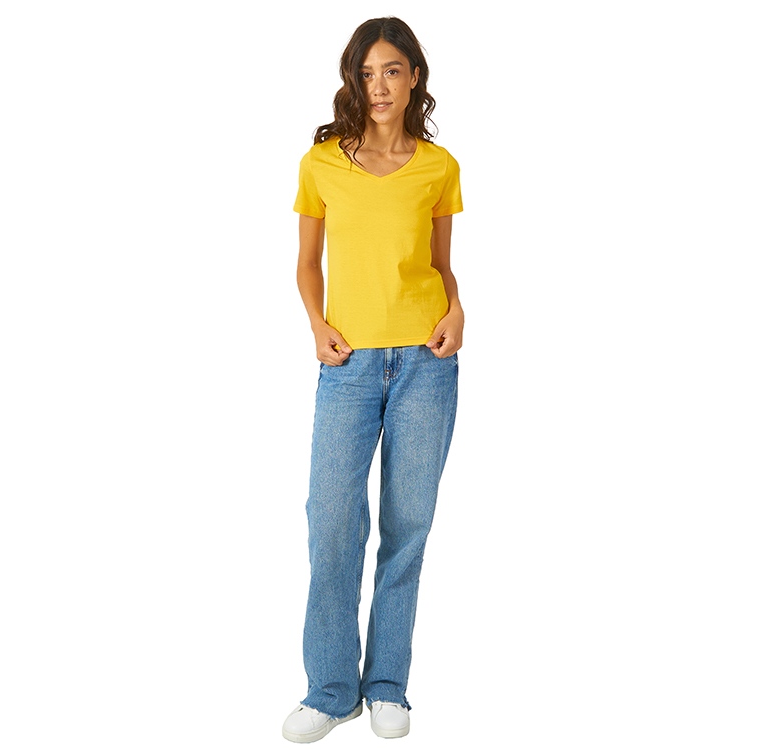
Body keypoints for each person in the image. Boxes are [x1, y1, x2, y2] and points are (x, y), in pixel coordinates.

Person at [281, 17, 464, 743]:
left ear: (414, 76)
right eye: (366, 73)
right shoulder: (322, 162)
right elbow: (306, 263)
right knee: (331, 523)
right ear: (352, 81)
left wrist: (458, 310)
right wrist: (315, 323)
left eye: (391, 70)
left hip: (426, 362)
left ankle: (387, 684)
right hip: (348, 364)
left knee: (407, 528)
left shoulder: (439, 166)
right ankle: (331, 689)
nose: (378, 86)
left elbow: (441, 265)